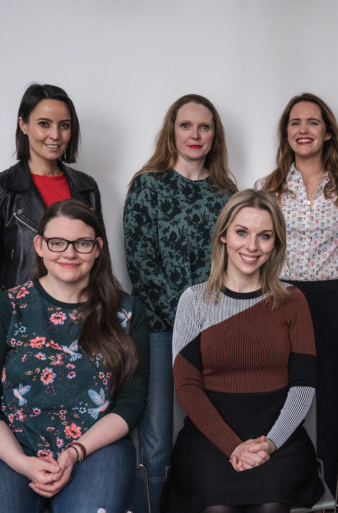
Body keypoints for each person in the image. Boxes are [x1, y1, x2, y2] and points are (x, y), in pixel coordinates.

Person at [0, 199, 149, 512]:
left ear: (98, 248)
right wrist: (21, 462)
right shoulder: (7, 307)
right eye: (57, 242)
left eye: (82, 243)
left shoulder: (126, 313)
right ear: (39, 246)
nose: (69, 253)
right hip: (7, 449)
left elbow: (131, 403)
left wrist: (75, 451)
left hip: (94, 449)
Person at [166, 190, 323, 513]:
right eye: (242, 232)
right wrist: (233, 446)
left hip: (280, 438)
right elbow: (187, 387)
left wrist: (269, 443)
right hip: (209, 438)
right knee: (218, 508)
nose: (252, 247)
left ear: (276, 243)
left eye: (264, 236)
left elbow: (303, 385)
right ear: (223, 235)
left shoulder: (294, 300)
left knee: (271, 506)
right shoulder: (194, 301)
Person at [123, 94, 237, 512]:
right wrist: (186, 317)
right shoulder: (147, 185)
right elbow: (139, 263)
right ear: (172, 131)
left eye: (204, 127)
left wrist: (210, 320)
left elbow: (234, 264)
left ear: (214, 135)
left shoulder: (226, 192)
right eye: (186, 125)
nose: (195, 134)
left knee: (212, 425)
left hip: (215, 328)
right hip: (157, 328)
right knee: (156, 434)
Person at [255, 92, 338, 495]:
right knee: (281, 397)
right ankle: (287, 485)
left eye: (312, 122)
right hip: (280, 300)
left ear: (327, 132)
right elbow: (259, 251)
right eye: (295, 123)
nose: (304, 130)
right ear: (286, 133)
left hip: (334, 301)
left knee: (337, 402)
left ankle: (337, 490)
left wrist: (337, 295)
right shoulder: (266, 188)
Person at [0, 84, 102, 328]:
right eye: (44, 124)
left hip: (81, 324)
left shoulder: (86, 188)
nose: (55, 135)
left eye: (64, 125)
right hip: (24, 323)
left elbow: (99, 264)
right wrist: (1, 341)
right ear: (23, 124)